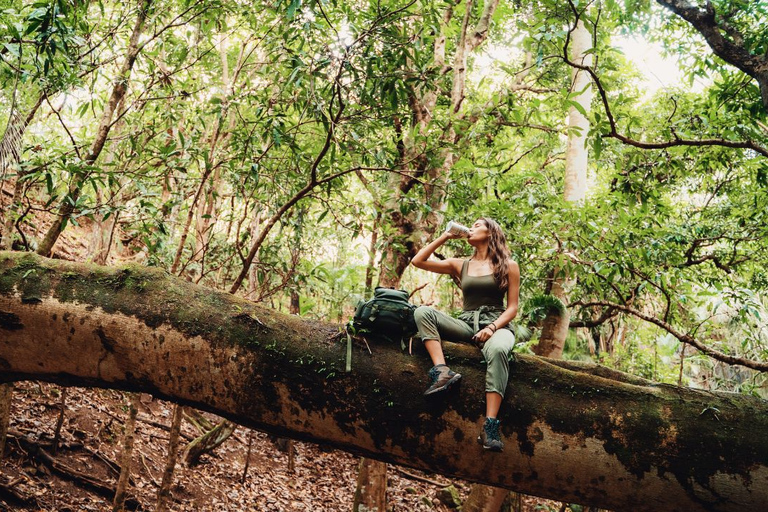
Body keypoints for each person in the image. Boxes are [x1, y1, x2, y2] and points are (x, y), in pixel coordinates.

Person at [410, 218, 520, 451]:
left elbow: (512, 308)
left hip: (496, 325)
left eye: (478, 224)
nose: (471, 227)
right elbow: (417, 261)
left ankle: (490, 426)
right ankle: (442, 372)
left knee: (499, 349)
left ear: (491, 232)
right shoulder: (460, 264)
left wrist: (492, 328)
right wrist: (446, 236)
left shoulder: (509, 265)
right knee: (423, 312)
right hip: (466, 322)